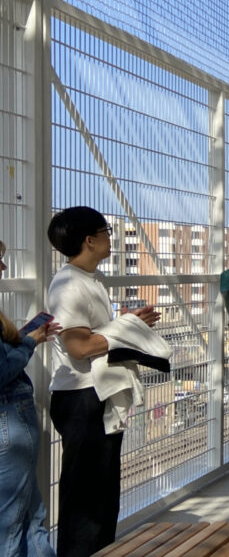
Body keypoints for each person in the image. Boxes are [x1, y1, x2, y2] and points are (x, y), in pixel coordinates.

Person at [46, 207, 162, 556]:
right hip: (82, 400)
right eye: (107, 230)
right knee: (85, 501)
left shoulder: (89, 280)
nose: (111, 237)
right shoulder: (67, 285)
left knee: (102, 495)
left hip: (96, 395)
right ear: (89, 240)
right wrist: (126, 329)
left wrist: (128, 325)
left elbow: (98, 335)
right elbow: (80, 346)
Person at [0, 240, 60, 557]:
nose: (3, 268)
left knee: (30, 516)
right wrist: (28, 343)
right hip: (9, 421)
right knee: (11, 526)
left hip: (9, 423)